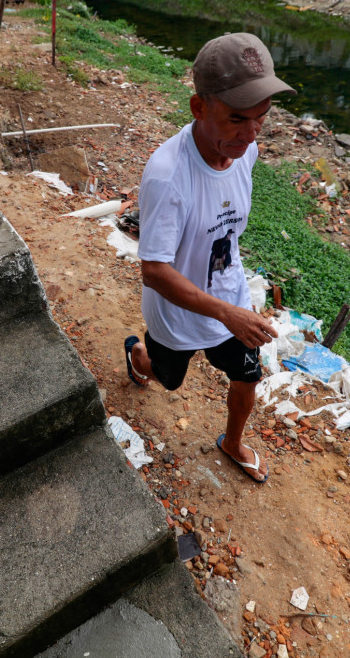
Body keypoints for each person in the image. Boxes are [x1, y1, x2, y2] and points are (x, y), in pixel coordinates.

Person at [123, 33, 296, 484]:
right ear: (199, 108)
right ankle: (137, 354)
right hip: (178, 317)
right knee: (166, 379)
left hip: (229, 301)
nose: (250, 134)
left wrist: (233, 306)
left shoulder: (245, 151)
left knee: (247, 376)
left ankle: (233, 442)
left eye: (262, 118)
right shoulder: (167, 177)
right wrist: (227, 313)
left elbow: (226, 228)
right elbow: (154, 270)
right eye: (237, 119)